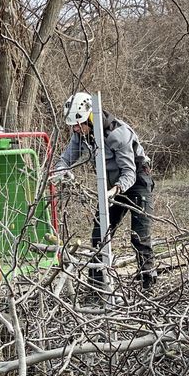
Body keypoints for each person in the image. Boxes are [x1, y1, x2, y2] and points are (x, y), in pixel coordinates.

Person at [55, 92, 156, 292]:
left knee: (139, 236)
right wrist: (58, 171)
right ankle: (96, 287)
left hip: (136, 183)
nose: (75, 129)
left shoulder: (118, 135)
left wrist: (115, 190)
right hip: (109, 187)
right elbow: (67, 157)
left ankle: (148, 286)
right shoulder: (81, 134)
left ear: (91, 118)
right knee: (99, 235)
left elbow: (129, 172)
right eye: (73, 126)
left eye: (79, 124)